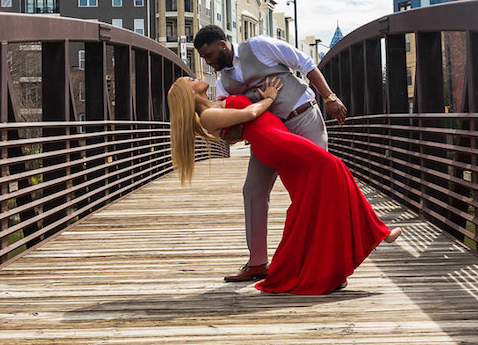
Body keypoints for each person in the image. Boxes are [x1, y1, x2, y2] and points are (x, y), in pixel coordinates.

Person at [167, 75, 401, 294]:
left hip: (279, 138)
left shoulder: (217, 102)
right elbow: (249, 114)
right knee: (333, 168)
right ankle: (377, 231)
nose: (195, 77)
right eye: (189, 79)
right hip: (275, 143)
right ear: (186, 93)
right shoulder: (207, 116)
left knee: (310, 198)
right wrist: (269, 97)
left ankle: (330, 270)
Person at [193, 25, 347, 283]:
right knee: (253, 190)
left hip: (303, 119)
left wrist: (329, 97)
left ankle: (332, 267)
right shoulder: (223, 84)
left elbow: (305, 63)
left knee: (317, 190)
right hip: (270, 136)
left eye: (208, 55)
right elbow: (232, 124)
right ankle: (257, 263)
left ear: (222, 45)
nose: (207, 62)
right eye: (203, 59)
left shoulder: (259, 46)